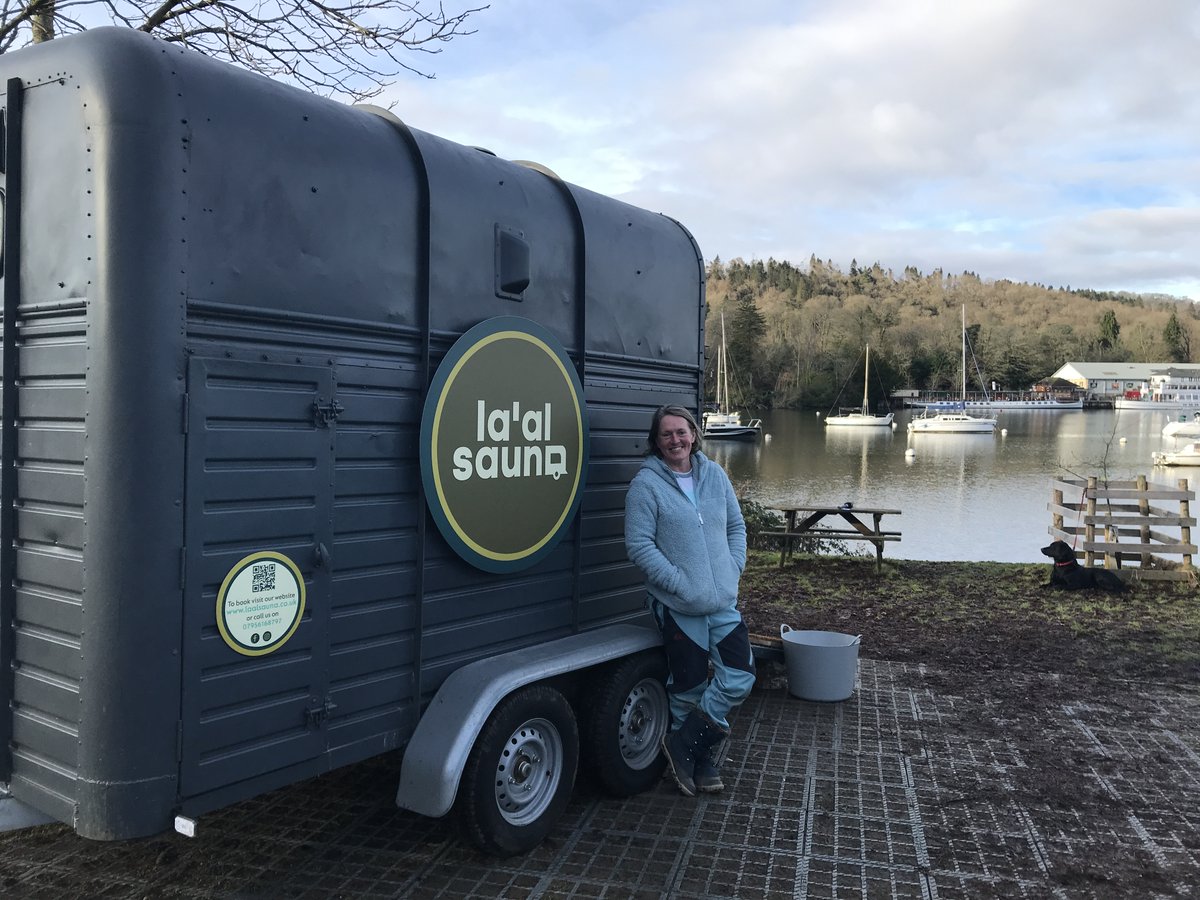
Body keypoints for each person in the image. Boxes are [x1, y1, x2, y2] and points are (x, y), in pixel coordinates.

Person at [623, 404, 756, 797]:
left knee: (740, 678)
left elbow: (736, 526)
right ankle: (698, 759)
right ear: (657, 441)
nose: (676, 440)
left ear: (694, 434)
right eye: (667, 435)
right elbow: (639, 545)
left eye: (682, 432)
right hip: (680, 605)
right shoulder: (645, 486)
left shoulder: (714, 475)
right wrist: (679, 583)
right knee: (688, 687)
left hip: (721, 601)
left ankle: (682, 745)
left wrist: (733, 567)